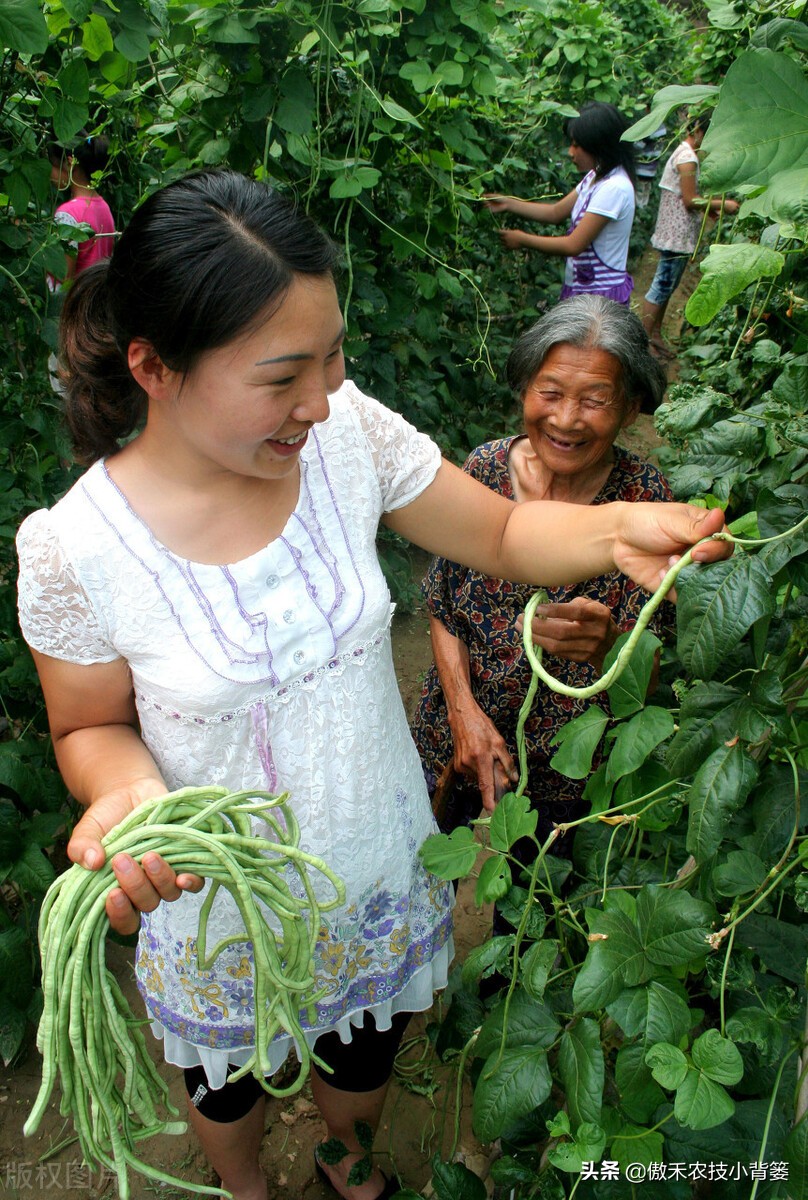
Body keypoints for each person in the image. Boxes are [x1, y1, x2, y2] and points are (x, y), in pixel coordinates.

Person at [15, 170, 728, 1200]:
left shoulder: (344, 434)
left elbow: (500, 529)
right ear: (153, 368)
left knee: (363, 1057)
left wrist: (613, 530)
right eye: (281, 375)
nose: (321, 395)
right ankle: (250, 1186)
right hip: (222, 907)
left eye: (333, 352)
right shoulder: (77, 549)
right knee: (232, 1090)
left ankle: (345, 1156)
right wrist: (126, 794)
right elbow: (88, 726)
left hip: (370, 865)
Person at [410, 296, 672, 858]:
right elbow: (442, 603)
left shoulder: (643, 502)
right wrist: (463, 713)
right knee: (420, 874)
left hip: (565, 772)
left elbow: (654, 680)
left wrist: (610, 649)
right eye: (550, 392)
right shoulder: (482, 471)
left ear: (629, 410)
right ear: (525, 388)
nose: (566, 418)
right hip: (458, 733)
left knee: (534, 913)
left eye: (596, 400)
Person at [483, 102, 636, 306]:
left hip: (600, 300)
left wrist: (522, 239)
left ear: (598, 144)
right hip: (585, 292)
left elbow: (573, 244)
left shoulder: (614, 188)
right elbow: (555, 212)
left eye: (576, 145)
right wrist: (508, 204)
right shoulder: (595, 177)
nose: (570, 152)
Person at [642, 114, 739, 359]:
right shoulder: (688, 159)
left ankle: (652, 335)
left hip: (676, 232)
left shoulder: (685, 154)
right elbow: (690, 200)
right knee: (662, 285)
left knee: (668, 285)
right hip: (677, 233)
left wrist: (711, 208)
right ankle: (642, 343)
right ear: (697, 131)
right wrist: (722, 204)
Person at [47, 133, 116, 287]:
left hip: (73, 304)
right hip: (94, 299)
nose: (50, 173)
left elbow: (64, 278)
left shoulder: (68, 213)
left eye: (52, 165)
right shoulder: (104, 207)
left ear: (70, 163)